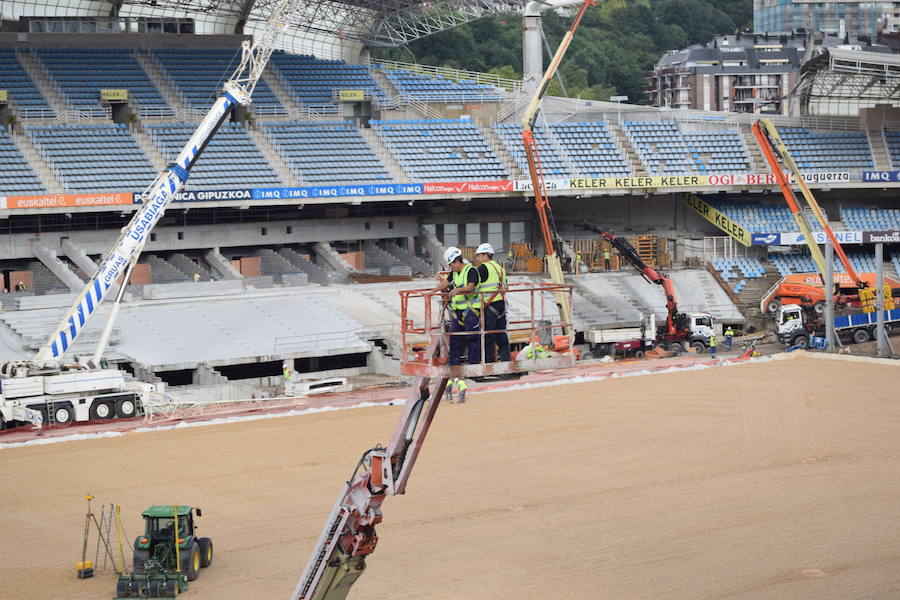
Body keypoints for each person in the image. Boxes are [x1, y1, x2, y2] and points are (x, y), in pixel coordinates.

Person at [433, 246, 481, 366]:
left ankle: (473, 364)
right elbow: (446, 282)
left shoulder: (471, 270)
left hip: (471, 310)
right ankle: (454, 363)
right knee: (454, 337)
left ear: (457, 261)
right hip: (457, 311)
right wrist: (433, 290)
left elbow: (471, 287)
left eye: (451, 264)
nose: (451, 267)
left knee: (472, 337)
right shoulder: (454, 273)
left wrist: (458, 290)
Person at [474, 242, 510, 363]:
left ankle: (488, 363)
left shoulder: (483, 268)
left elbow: (472, 283)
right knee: (501, 334)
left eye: (479, 256)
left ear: (485, 255)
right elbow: (506, 287)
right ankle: (506, 360)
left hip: (489, 306)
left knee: (487, 336)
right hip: (501, 305)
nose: (478, 258)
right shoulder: (500, 268)